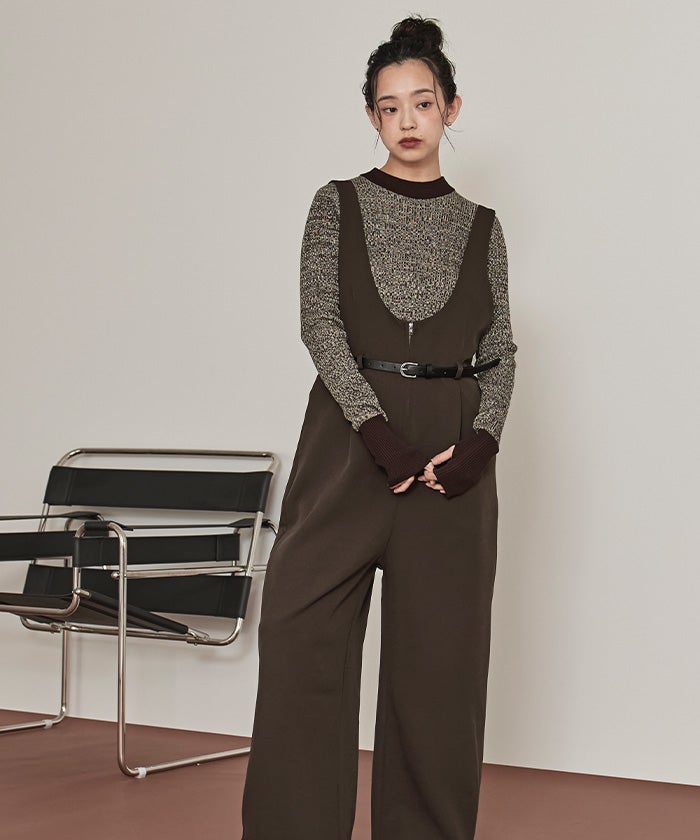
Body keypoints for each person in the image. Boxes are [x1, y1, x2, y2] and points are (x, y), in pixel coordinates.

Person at [241, 14, 517, 840]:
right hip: (349, 452)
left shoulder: (483, 226)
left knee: (440, 675)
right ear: (371, 115)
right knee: (301, 644)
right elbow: (320, 325)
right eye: (389, 106)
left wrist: (482, 443)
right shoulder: (336, 205)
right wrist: (377, 434)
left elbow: (501, 350)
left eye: (422, 103)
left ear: (450, 108)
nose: (407, 120)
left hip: (450, 466)